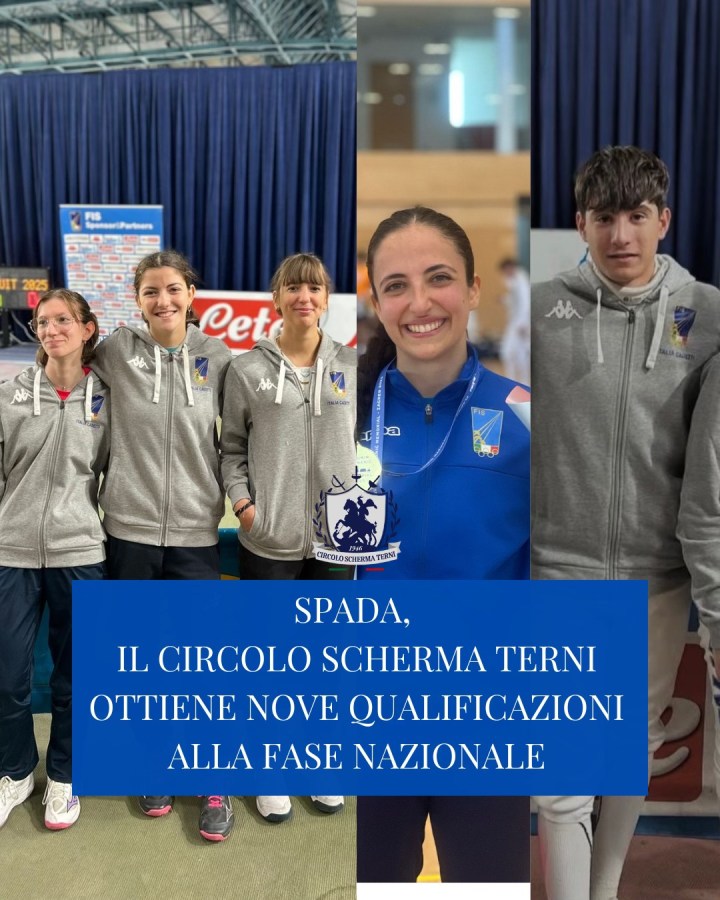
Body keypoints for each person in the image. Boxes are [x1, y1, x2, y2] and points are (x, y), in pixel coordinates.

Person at [532, 145, 720, 900]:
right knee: (563, 774)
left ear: (663, 219)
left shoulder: (706, 316)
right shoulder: (541, 310)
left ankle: (604, 890)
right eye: (605, 217)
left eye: (636, 216)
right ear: (581, 222)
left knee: (627, 754)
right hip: (556, 573)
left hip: (655, 584)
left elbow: (709, 488)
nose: (620, 235)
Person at [355, 206, 530, 883]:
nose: (420, 302)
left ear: (475, 289)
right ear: (376, 299)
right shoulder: (345, 415)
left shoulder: (525, 413)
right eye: (396, 285)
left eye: (440, 278)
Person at [91, 249, 234, 842]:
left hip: (197, 533)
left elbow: (249, 435)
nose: (164, 301)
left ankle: (211, 778)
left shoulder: (219, 356)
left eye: (173, 289)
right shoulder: (116, 352)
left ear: (191, 293)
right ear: (137, 298)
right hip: (128, 527)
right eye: (152, 291)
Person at [221, 252, 355, 825]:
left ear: (327, 298)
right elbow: (229, 448)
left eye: (316, 288)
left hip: (335, 540)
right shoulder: (247, 370)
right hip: (269, 538)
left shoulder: (353, 363)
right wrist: (247, 506)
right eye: (294, 287)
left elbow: (380, 434)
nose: (306, 296)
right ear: (277, 298)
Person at [0, 289, 108, 831]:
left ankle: (64, 776)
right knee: (8, 673)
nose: (50, 329)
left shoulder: (109, 399)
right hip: (11, 554)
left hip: (80, 552)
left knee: (75, 677)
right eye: (43, 322)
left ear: (88, 328)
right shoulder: (8, 394)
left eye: (63, 320)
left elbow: (113, 471)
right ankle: (16, 771)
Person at [498, 257, 531, 385]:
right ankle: (513, 381)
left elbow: (526, 302)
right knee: (512, 353)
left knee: (513, 352)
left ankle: (520, 382)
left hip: (521, 323)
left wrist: (523, 323)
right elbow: (515, 301)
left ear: (510, 268)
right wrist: (505, 300)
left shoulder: (521, 279)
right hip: (516, 322)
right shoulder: (514, 281)